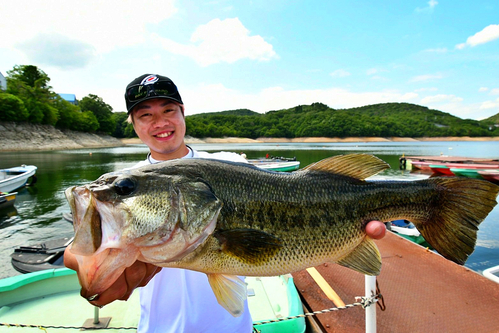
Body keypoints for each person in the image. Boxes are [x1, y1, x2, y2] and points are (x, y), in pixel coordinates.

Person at [64, 74, 386, 333]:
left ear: (182, 113)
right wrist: (83, 262)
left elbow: (288, 200)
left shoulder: (229, 164)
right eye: (145, 115)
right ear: (133, 125)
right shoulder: (125, 184)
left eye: (168, 110)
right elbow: (78, 249)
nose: (159, 122)